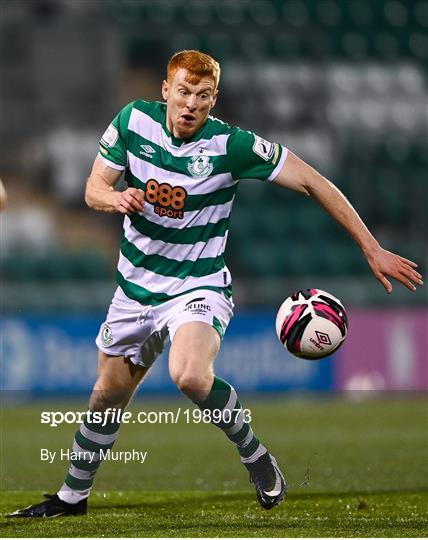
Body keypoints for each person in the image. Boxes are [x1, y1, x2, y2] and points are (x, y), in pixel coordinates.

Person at [8, 50, 423, 518]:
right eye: (183, 92)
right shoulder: (132, 122)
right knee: (106, 395)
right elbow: (92, 188)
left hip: (198, 287)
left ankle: (255, 456)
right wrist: (116, 196)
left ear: (214, 99)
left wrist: (371, 248)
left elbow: (313, 181)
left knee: (189, 375)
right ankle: (71, 497)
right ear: (166, 89)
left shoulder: (231, 145)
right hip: (135, 288)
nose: (190, 105)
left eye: (202, 97)